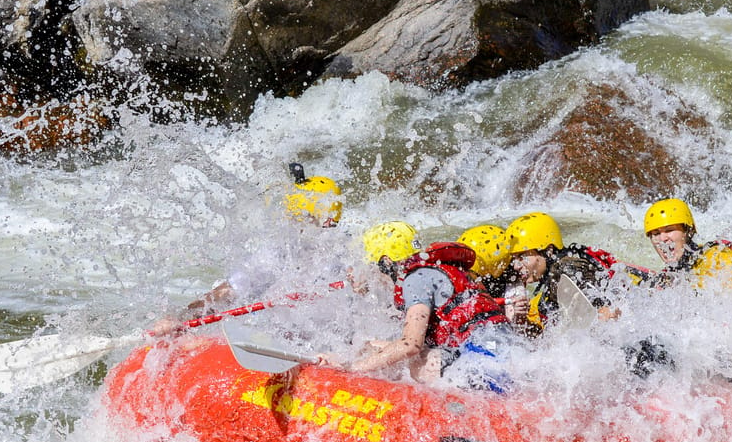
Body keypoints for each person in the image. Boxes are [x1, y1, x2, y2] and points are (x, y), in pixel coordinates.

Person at [347, 221, 516, 384]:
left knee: (409, 363)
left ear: (386, 263)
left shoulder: (415, 279)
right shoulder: (432, 271)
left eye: (370, 266)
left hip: (482, 365)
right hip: (500, 354)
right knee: (373, 346)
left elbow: (410, 345)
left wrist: (352, 370)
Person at [186, 163, 345, 314]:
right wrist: (182, 318)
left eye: (300, 218)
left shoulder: (346, 257)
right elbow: (228, 291)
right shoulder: (280, 254)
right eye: (293, 218)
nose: (292, 223)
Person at [503, 212, 650, 332]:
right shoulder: (548, 282)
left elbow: (608, 313)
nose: (516, 266)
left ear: (548, 250)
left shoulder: (568, 269)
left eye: (522, 257)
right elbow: (543, 338)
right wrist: (521, 320)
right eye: (515, 258)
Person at [642, 198, 732, 297]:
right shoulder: (670, 277)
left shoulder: (717, 258)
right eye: (655, 234)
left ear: (688, 231)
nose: (662, 239)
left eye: (669, 230)